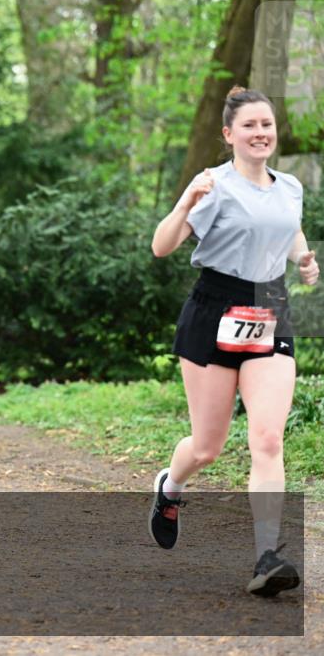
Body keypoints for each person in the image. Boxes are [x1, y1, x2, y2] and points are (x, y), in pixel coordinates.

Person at [150, 86, 319, 596]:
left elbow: (288, 231)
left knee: (268, 438)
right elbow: (162, 247)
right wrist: (184, 203)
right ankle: (170, 487)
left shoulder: (289, 186)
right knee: (207, 446)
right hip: (214, 310)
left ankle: (268, 555)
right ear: (229, 135)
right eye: (249, 125)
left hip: (269, 307)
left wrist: (304, 261)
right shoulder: (213, 186)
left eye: (266, 124)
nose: (261, 132)